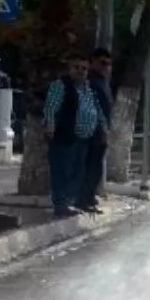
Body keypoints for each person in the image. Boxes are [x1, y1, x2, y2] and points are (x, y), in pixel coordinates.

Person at [44, 52, 107, 218]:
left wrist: (103, 129)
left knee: (77, 172)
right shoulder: (60, 85)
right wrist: (50, 126)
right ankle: (60, 205)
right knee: (62, 171)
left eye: (84, 68)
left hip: (83, 138)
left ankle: (69, 202)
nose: (81, 71)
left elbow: (97, 110)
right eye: (77, 67)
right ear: (69, 68)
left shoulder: (89, 88)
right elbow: (50, 108)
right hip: (64, 136)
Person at [77, 47, 114, 214]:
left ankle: (88, 197)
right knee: (90, 166)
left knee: (96, 166)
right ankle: (83, 199)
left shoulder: (102, 81)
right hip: (92, 131)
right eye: (102, 63)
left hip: (100, 130)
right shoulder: (90, 81)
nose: (106, 67)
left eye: (108, 64)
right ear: (92, 62)